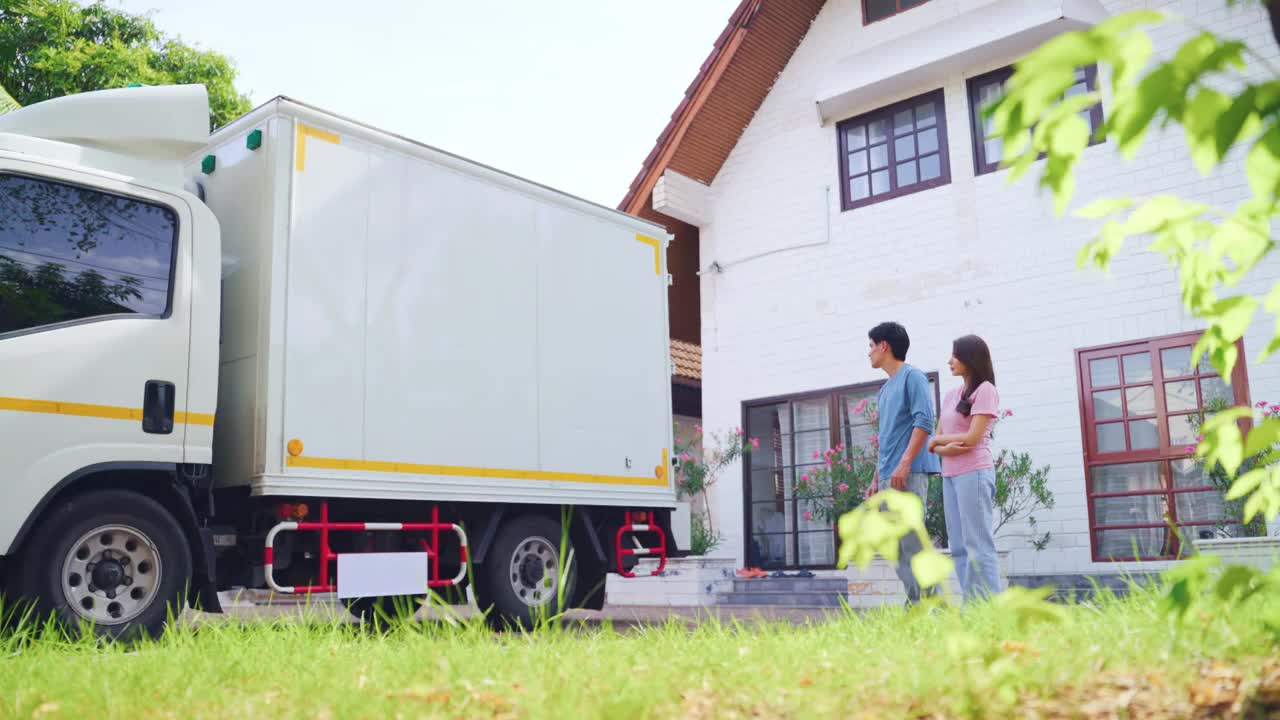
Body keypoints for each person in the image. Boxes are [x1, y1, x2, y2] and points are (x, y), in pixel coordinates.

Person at [863, 321, 941, 605]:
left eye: (871, 346)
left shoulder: (914, 378)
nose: (869, 352)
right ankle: (918, 601)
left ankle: (929, 603)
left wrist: (905, 464)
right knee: (895, 547)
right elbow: (885, 438)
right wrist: (875, 479)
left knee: (912, 544)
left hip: (907, 473)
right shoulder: (885, 390)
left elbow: (924, 421)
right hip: (887, 477)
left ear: (885, 346)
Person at [928, 335, 1001, 602]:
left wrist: (938, 443)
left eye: (955, 355)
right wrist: (941, 445)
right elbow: (936, 438)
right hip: (950, 475)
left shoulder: (986, 390)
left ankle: (989, 607)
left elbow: (972, 438)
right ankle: (973, 605)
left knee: (978, 545)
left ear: (970, 358)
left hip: (975, 472)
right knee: (958, 546)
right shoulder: (950, 396)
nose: (950, 361)